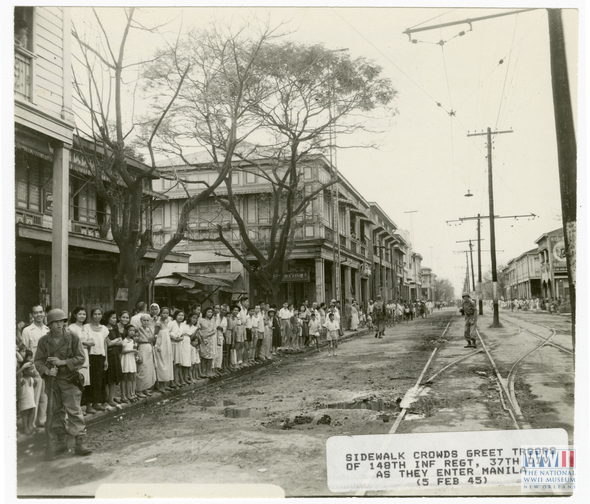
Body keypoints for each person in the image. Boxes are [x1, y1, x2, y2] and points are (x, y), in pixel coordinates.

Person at [34, 308, 92, 459]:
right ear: (50, 324)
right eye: (55, 322)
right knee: (55, 412)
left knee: (74, 410)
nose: (59, 325)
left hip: (69, 380)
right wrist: (47, 371)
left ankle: (79, 442)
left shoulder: (72, 337)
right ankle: (61, 442)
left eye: (62, 321)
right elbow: (38, 361)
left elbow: (80, 358)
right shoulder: (44, 341)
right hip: (52, 382)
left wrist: (62, 362)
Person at [21, 304, 49, 428]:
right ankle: (31, 424)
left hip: (46, 366)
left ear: (44, 313)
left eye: (41, 312)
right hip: (34, 367)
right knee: (34, 396)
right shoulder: (27, 330)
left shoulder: (48, 329)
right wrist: (28, 369)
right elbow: (24, 351)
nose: (39, 315)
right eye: (36, 312)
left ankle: (41, 420)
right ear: (32, 315)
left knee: (45, 395)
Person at [84, 308, 109, 414]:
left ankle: (96, 403)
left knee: (99, 381)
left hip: (100, 356)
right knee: (90, 381)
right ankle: (88, 405)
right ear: (91, 315)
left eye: (99, 314)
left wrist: (106, 359)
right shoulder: (86, 327)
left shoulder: (104, 329)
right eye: (95, 314)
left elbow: (105, 344)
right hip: (90, 356)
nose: (97, 316)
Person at [67, 307, 91, 413]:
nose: (82, 316)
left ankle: (80, 407)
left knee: (83, 382)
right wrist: (84, 343)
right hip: (76, 355)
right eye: (80, 314)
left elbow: (92, 342)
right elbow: (71, 343)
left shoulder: (86, 327)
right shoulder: (71, 328)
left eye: (84, 314)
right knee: (76, 381)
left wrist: (81, 343)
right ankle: (75, 408)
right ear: (75, 315)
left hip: (85, 355)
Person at [103, 310, 123, 409]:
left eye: (116, 317)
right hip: (108, 355)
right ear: (108, 318)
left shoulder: (115, 328)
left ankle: (111, 398)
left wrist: (113, 342)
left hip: (115, 354)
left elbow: (121, 342)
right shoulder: (104, 329)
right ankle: (106, 398)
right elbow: (108, 343)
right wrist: (115, 341)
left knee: (114, 378)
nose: (115, 320)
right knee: (107, 378)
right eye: (113, 318)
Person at [153, 307, 174, 392]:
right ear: (160, 313)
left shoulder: (166, 322)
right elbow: (155, 335)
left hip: (167, 346)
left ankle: (165, 384)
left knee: (167, 364)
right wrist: (157, 346)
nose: (165, 315)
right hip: (161, 346)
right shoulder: (158, 323)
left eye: (167, 313)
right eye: (164, 313)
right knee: (161, 365)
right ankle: (160, 385)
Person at [136, 314, 157, 396]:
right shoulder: (138, 329)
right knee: (142, 368)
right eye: (144, 320)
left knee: (149, 369)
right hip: (142, 347)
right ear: (141, 321)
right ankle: (139, 390)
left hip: (149, 347)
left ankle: (145, 388)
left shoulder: (150, 329)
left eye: (147, 320)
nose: (146, 322)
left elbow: (151, 338)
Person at [17, 348, 37, 434]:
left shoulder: (31, 378)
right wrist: (20, 383)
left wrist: (35, 381)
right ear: (25, 370)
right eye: (30, 369)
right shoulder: (22, 379)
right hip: (24, 398)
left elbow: (34, 386)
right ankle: (25, 427)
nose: (32, 371)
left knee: (32, 410)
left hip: (31, 397)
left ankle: (30, 425)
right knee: (25, 412)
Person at [120, 324, 139, 403]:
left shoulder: (133, 341)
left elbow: (135, 351)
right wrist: (132, 351)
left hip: (131, 360)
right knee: (125, 377)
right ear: (126, 331)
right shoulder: (124, 340)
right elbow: (122, 351)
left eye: (133, 331)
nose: (132, 332)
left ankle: (131, 393)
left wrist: (136, 355)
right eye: (130, 330)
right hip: (126, 360)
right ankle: (125, 395)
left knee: (131, 377)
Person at [198, 307, 217, 378]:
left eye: (211, 312)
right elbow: (199, 329)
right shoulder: (201, 320)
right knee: (204, 356)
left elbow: (214, 330)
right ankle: (203, 371)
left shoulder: (212, 321)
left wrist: (208, 334)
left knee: (210, 356)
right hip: (203, 339)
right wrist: (203, 336)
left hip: (211, 339)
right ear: (205, 312)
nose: (210, 313)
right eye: (208, 312)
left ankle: (209, 371)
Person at [169, 310, 186, 387]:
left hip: (179, 345)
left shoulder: (182, 325)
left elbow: (183, 334)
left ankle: (176, 380)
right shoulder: (172, 323)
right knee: (172, 363)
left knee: (178, 364)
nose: (180, 317)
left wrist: (181, 338)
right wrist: (174, 337)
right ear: (175, 316)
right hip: (172, 345)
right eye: (179, 315)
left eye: (182, 315)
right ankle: (171, 381)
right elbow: (167, 332)